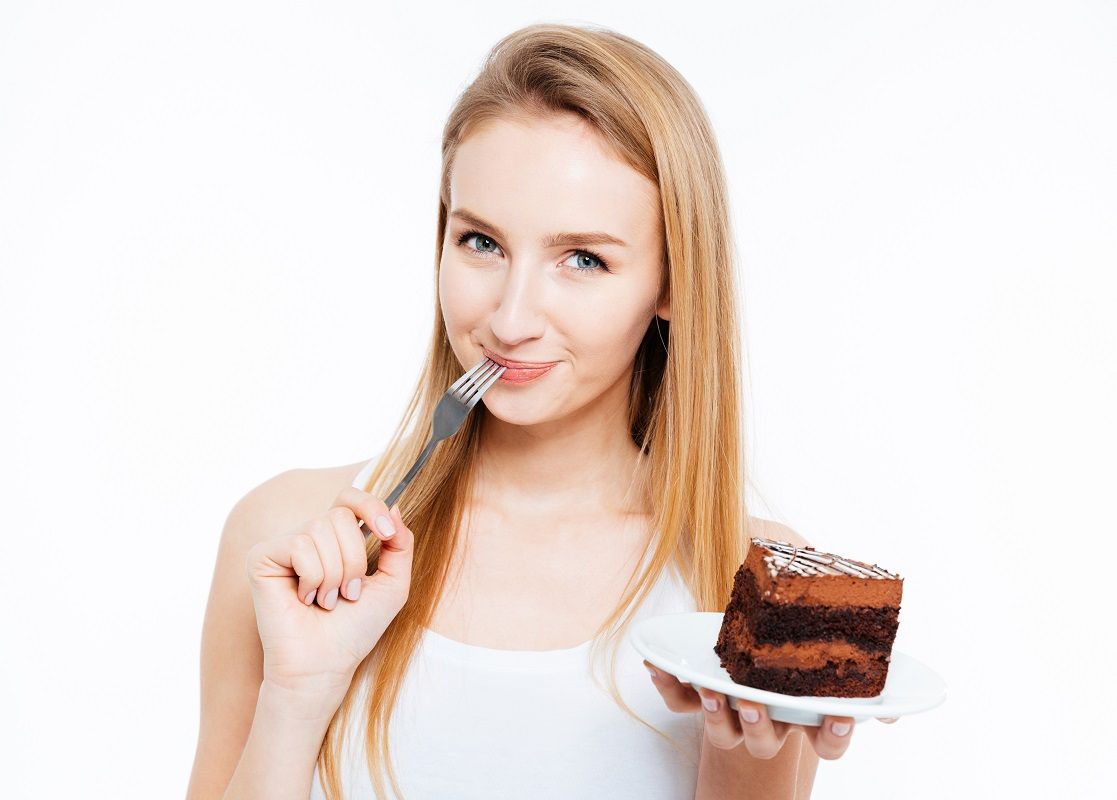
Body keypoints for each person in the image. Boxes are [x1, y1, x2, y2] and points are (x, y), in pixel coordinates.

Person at [186, 22, 893, 800]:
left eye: (582, 259)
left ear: (671, 283)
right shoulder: (289, 541)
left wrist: (742, 760)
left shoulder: (758, 591)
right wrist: (297, 695)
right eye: (481, 242)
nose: (511, 317)